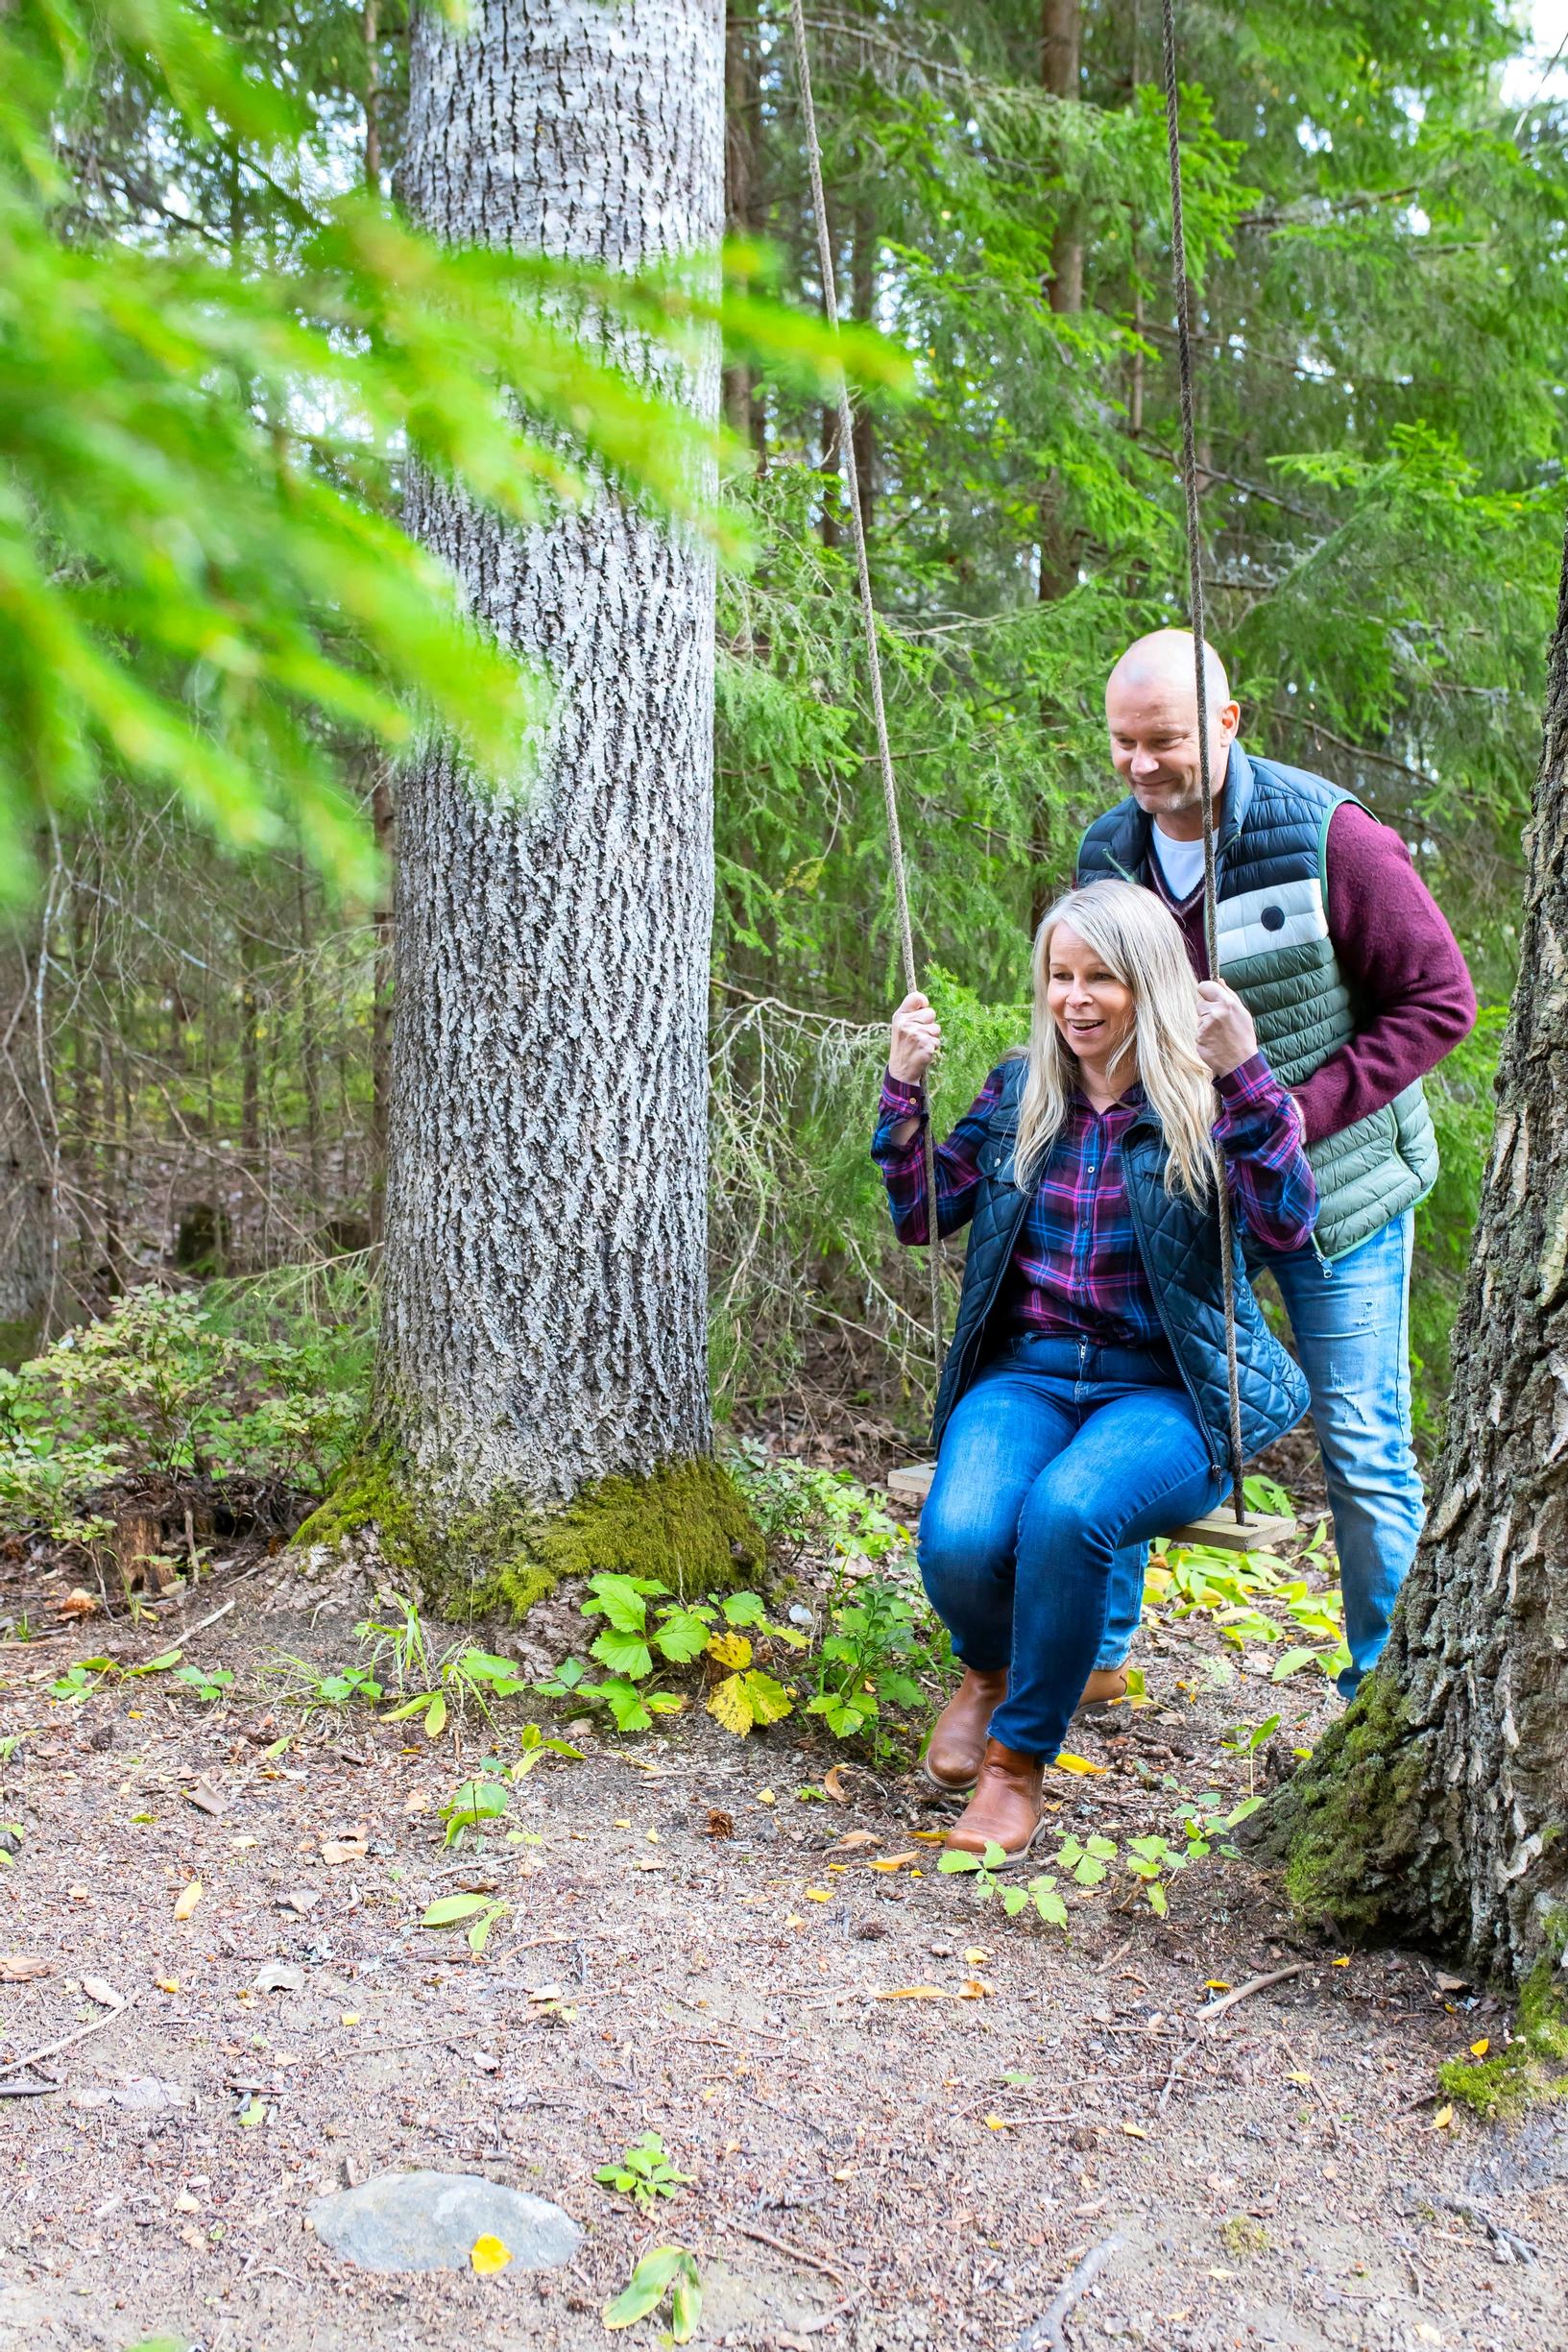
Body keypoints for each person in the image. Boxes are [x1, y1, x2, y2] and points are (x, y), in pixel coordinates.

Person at [873, 881, 1315, 1862]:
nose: (1075, 998)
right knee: (960, 1533)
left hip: (1167, 1388)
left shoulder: (1204, 1097)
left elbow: (1287, 1221)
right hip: (1028, 1371)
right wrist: (903, 1089)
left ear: (1147, 981)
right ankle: (988, 1674)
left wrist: (1243, 1075)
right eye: (1060, 976)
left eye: (1099, 977)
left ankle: (1015, 1762)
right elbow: (921, 1216)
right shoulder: (1020, 1088)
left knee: (1069, 1515)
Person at [1078, 632, 1477, 1696]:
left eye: (1162, 741)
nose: (1140, 766)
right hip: (1185, 1196)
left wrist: (1294, 1112)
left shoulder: (1327, 837)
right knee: (1121, 1395)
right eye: (1122, 743)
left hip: (1334, 1196)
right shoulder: (1108, 854)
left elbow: (1441, 1001)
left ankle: (1381, 1704)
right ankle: (1098, 1656)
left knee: (1359, 1441)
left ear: (1226, 721)